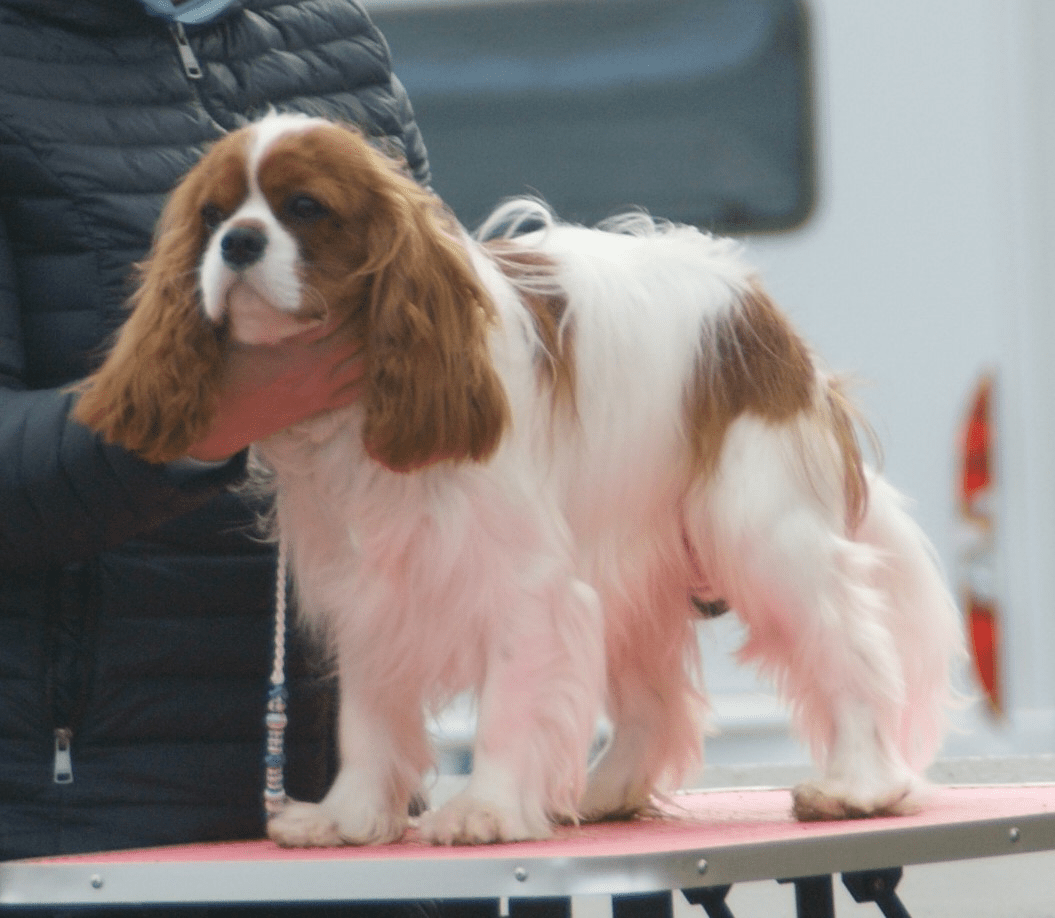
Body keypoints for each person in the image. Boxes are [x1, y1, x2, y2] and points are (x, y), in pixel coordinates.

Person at [0, 0, 430, 884]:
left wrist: (658, 503)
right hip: (79, 825)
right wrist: (210, 414)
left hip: (358, 811)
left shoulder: (332, 36)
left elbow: (443, 366)